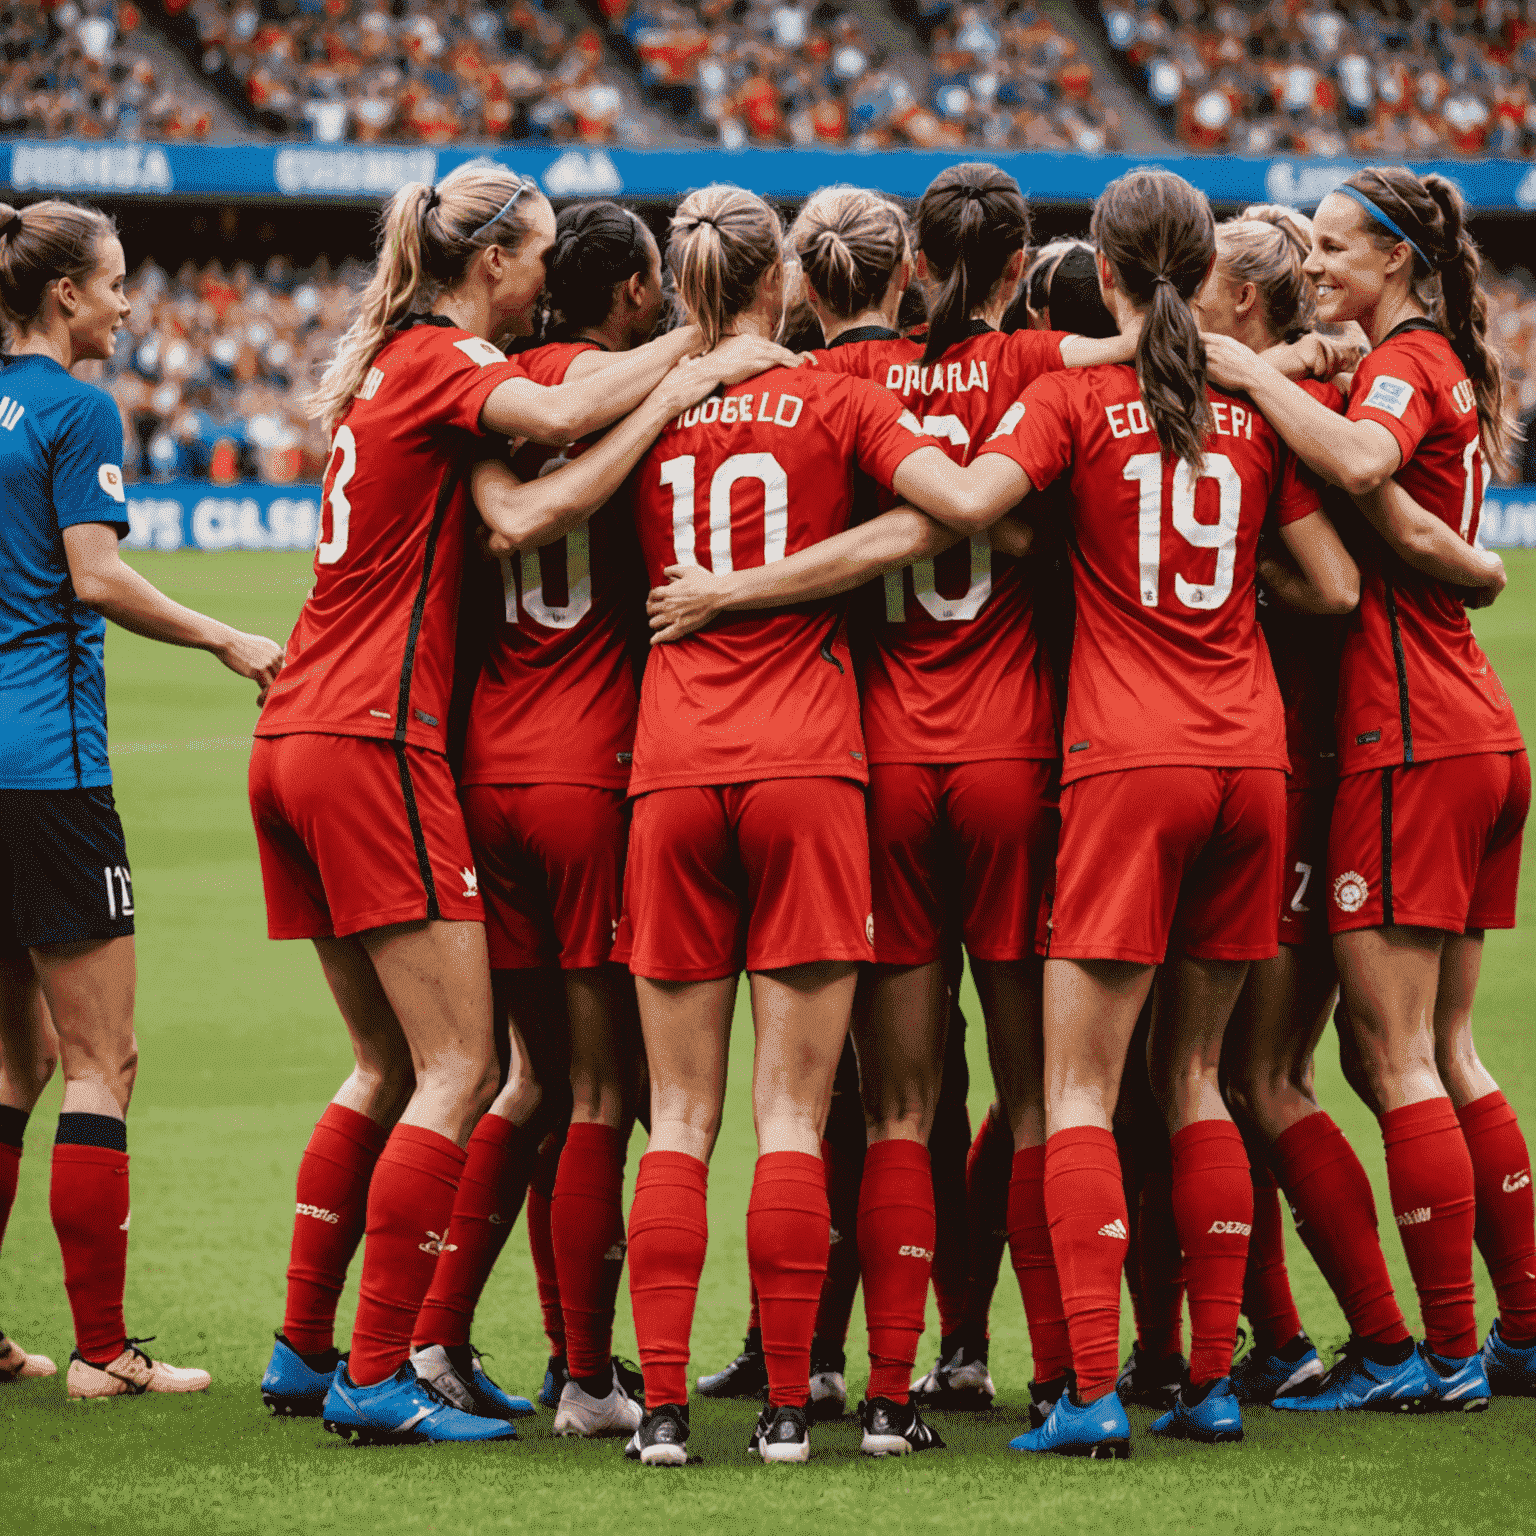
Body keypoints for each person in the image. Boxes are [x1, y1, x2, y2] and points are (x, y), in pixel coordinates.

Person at [251, 159, 790, 1446]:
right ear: (495, 260)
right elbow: (554, 454)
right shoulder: (470, 369)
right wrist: (699, 363)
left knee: (420, 1065)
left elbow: (514, 495)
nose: (542, 284)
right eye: (530, 254)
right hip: (445, 746)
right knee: (504, 1073)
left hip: (326, 730)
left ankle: (316, 1345)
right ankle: (440, 1367)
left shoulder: (404, 360)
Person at [956, 166, 1357, 1457]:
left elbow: (976, 510)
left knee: (1075, 1089)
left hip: (1127, 767)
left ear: (1111, 276)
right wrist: (1226, 609)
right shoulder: (1242, 404)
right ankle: (1211, 1380)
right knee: (1195, 1082)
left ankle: (1082, 1392)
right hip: (1252, 762)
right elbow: (1337, 587)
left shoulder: (1071, 395)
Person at [1204, 165, 1530, 1409]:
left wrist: (1243, 372)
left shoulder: (1399, 368)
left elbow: (1357, 458)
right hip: (1470, 725)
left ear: (1396, 256)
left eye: (1340, 245)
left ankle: (1437, 1354)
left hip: (1404, 738)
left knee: (1391, 1056)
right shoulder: (1434, 355)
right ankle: (1518, 1335)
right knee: (1442, 1051)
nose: (1323, 262)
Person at [0, 197, 283, 1398]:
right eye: (117, 284)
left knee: (10, 1065)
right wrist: (230, 640)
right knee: (101, 1060)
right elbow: (97, 575)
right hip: (52, 767)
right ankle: (104, 1354)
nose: (128, 304)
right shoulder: (77, 407)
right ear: (67, 294)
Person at [409, 200, 668, 1438]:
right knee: (606, 1090)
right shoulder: (626, 392)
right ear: (626, 297)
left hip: (484, 768)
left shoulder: (492, 390)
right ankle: (586, 1377)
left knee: (526, 1081)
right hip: (589, 769)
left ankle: (434, 1333)